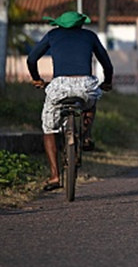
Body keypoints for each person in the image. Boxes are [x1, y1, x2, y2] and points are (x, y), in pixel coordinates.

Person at [27, 11, 113, 191]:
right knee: (91, 101)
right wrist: (107, 82)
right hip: (85, 85)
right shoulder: (89, 36)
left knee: (49, 128)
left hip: (59, 87)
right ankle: (86, 135)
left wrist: (36, 79)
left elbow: (32, 59)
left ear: (59, 24)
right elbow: (107, 63)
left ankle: (54, 176)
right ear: (80, 24)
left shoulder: (53, 35)